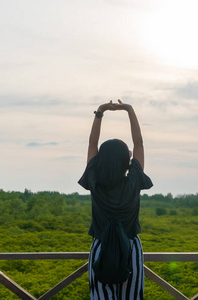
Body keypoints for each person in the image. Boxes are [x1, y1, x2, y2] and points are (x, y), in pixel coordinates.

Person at [78, 99, 153, 300]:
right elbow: (139, 143)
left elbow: (92, 143)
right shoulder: (133, 181)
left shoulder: (95, 181)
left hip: (101, 246)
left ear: (101, 160)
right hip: (130, 248)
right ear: (125, 162)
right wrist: (129, 109)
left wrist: (100, 112)